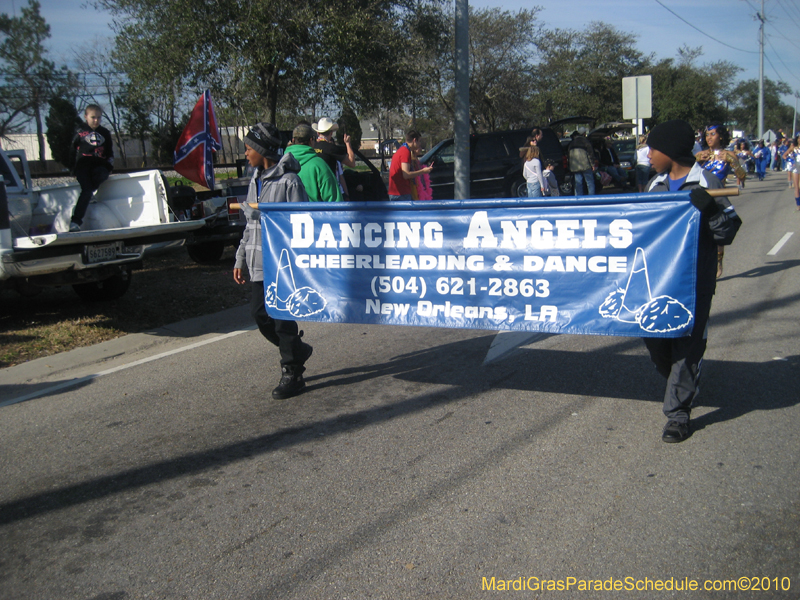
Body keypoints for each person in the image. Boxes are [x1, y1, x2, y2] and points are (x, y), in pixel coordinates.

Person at [644, 119, 742, 443]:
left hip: (695, 279)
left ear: (669, 151)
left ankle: (678, 415)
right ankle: (682, 379)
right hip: (660, 280)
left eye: (652, 149)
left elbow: (728, 230)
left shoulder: (707, 179)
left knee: (687, 344)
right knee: (657, 342)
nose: (648, 155)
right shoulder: (654, 185)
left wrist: (712, 209)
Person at [233, 122, 313, 400]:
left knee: (281, 319)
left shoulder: (289, 181)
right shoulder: (255, 179)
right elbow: (248, 226)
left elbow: (300, 225)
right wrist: (239, 258)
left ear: (261, 149)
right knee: (259, 314)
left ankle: (292, 371)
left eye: (247, 148)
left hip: (281, 264)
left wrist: (263, 215)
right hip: (257, 263)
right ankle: (297, 349)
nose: (245, 154)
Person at [694, 123, 745, 278]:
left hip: (718, 198)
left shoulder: (729, 154)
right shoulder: (701, 155)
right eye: (707, 134)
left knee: (718, 233)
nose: (709, 137)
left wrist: (733, 162)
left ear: (721, 136)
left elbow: (742, 177)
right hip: (701, 197)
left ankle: (718, 262)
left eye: (713, 134)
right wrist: (695, 160)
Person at [68, 104, 114, 232]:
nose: (96, 120)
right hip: (83, 166)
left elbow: (110, 151)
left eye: (99, 117)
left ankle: (92, 192)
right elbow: (72, 150)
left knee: (102, 175)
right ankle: (75, 222)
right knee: (86, 190)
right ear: (86, 117)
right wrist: (72, 168)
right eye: (93, 117)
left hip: (99, 165)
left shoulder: (105, 132)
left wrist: (110, 165)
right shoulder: (79, 131)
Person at [284, 123, 342, 202]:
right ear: (311, 140)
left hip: (286, 214)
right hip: (314, 214)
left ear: (293, 140)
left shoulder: (281, 164)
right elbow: (335, 201)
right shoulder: (319, 166)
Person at [311, 117, 356, 200]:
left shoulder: (311, 147)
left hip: (312, 189)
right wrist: (348, 144)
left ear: (318, 133)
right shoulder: (332, 148)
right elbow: (351, 163)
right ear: (331, 133)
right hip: (329, 190)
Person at [388, 130, 433, 201]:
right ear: (414, 140)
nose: (420, 144)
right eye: (419, 141)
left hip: (397, 192)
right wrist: (422, 171)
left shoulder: (402, 150)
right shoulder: (405, 152)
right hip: (401, 193)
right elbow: (406, 174)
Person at [568, 129, 595, 196]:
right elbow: (590, 154)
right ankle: (591, 198)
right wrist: (593, 164)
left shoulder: (571, 143)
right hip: (585, 165)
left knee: (578, 183)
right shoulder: (585, 142)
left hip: (575, 166)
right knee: (590, 182)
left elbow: (569, 156)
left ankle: (578, 199)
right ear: (584, 133)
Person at [783, 135, 800, 210]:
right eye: (799, 138)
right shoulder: (793, 147)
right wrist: (789, 159)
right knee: (796, 187)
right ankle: (798, 205)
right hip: (795, 168)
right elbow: (784, 155)